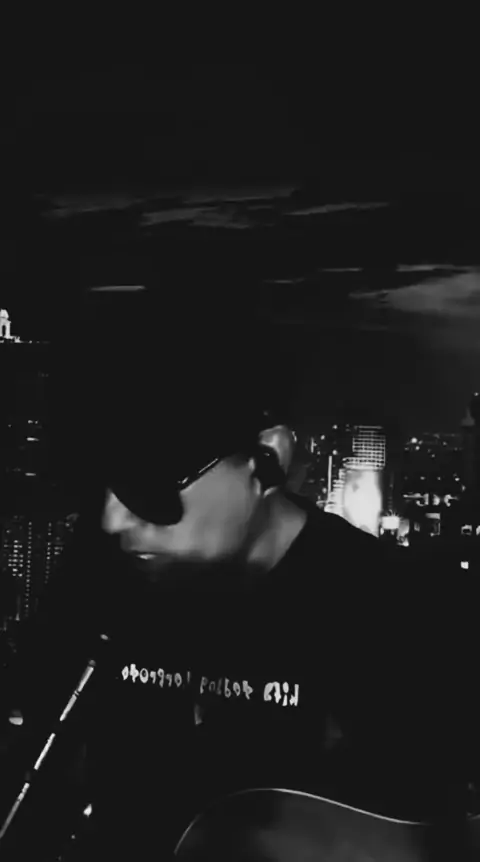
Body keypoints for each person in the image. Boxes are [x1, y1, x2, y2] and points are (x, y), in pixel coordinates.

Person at [1, 291, 477, 860]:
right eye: (91, 482)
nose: (112, 518)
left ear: (267, 461)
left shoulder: (411, 615)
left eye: (149, 484)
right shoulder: (98, 581)